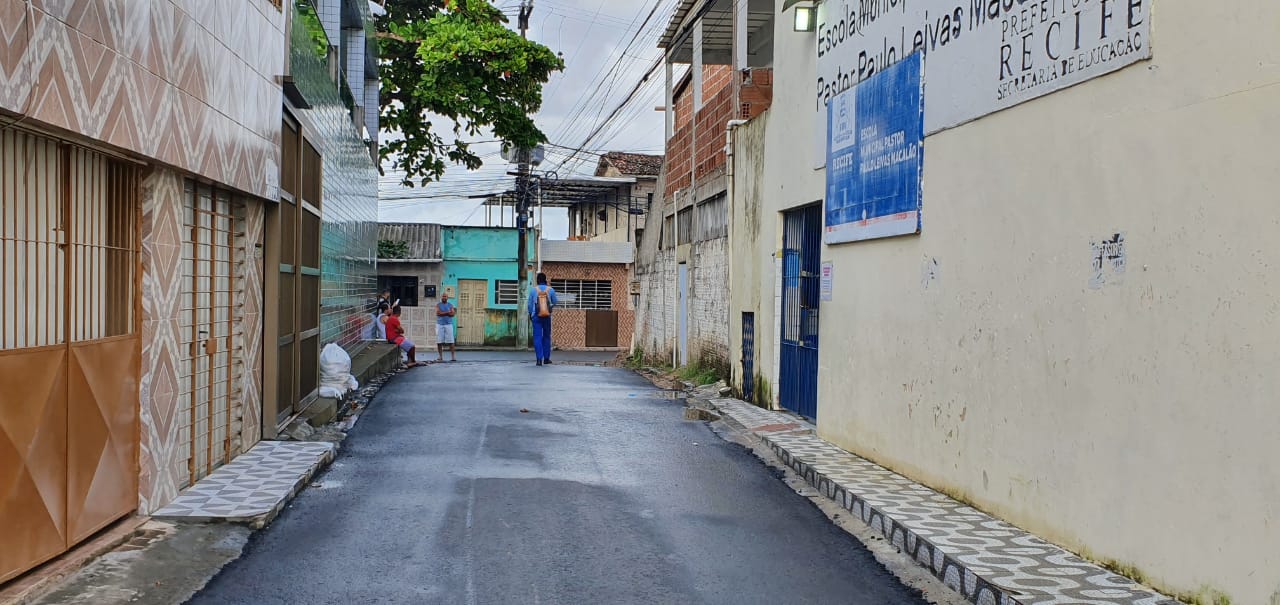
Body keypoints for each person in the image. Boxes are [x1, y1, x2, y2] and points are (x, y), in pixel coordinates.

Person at [527, 273, 558, 366]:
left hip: (536, 316)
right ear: (545, 280)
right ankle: (547, 358)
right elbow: (555, 302)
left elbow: (529, 304)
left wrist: (530, 314)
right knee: (546, 337)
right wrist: (549, 307)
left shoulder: (533, 290)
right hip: (547, 316)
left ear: (537, 280)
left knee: (537, 337)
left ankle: (539, 360)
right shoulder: (551, 290)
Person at [435, 293, 457, 362]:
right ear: (441, 297)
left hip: (448, 324)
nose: (444, 297)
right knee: (439, 341)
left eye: (445, 296)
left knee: (451, 341)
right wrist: (448, 312)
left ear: (447, 298)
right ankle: (440, 356)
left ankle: (453, 357)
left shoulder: (450, 305)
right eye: (443, 296)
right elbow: (438, 313)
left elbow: (453, 314)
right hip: (440, 324)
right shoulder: (438, 305)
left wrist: (444, 313)